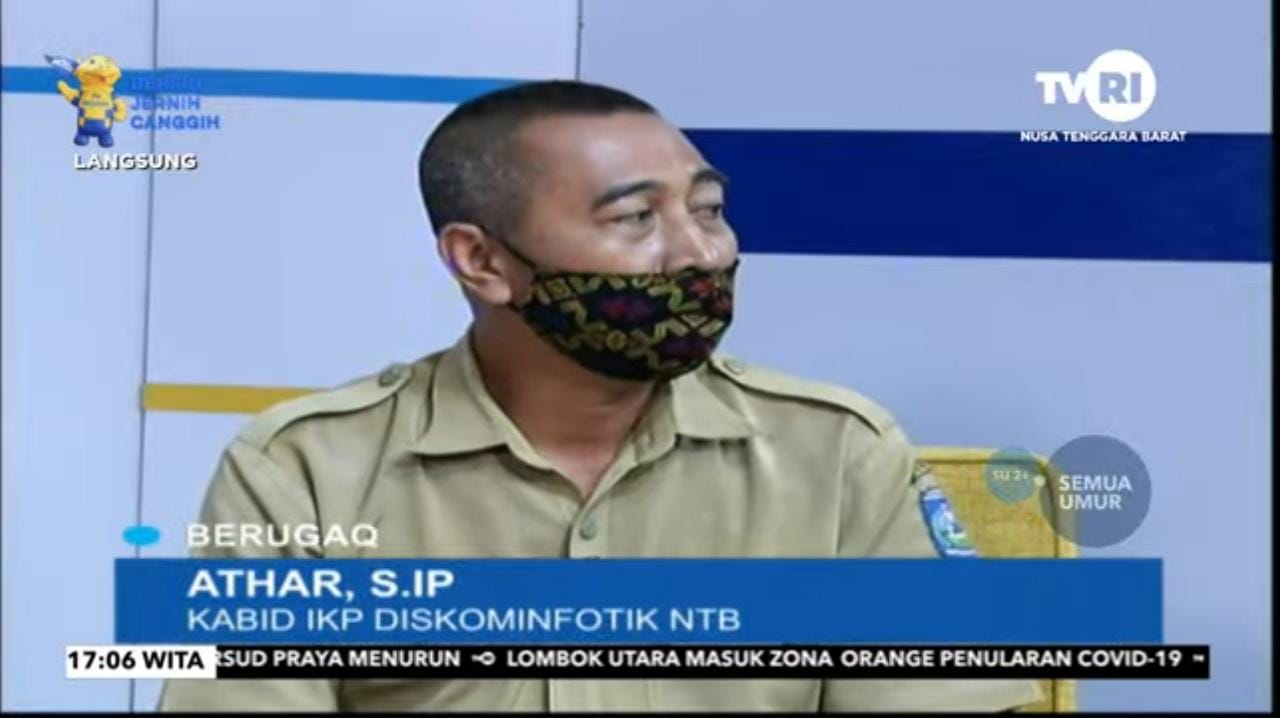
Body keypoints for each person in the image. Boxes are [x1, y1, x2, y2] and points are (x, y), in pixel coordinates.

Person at [159, 80, 1041, 712]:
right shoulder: (307, 472)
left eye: (708, 209)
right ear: (482, 260)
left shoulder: (839, 453)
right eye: (635, 219)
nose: (699, 254)